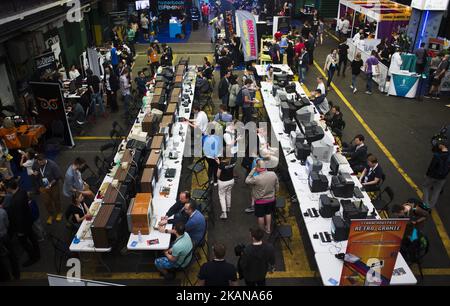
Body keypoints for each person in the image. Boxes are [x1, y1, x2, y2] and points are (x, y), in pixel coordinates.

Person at [5, 179, 40, 267]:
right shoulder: (22, 191)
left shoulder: (15, 201)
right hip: (28, 221)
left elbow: (18, 217)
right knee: (32, 238)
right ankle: (37, 252)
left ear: (9, 188)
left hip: (22, 226)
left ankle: (33, 257)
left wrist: (20, 232)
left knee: (24, 243)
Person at [245, 160, 279, 234]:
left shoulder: (257, 178)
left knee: (260, 216)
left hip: (260, 201)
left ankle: (261, 230)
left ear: (258, 168)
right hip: (271, 199)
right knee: (268, 213)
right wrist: (275, 193)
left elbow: (247, 180)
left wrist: (253, 170)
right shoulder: (273, 174)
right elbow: (277, 186)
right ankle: (268, 229)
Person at [32, 154, 63, 224]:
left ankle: (59, 212)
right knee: (46, 202)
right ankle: (51, 214)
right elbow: (34, 171)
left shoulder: (52, 165)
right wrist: (35, 174)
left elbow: (57, 177)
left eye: (42, 161)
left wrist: (50, 184)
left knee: (56, 199)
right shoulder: (36, 164)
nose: (40, 163)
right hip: (42, 187)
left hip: (53, 186)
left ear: (45, 159)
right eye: (39, 161)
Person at [423, 140, 449, 208]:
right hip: (442, 178)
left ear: (442, 145)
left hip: (432, 176)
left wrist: (427, 175)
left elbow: (431, 167)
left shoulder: (437, 155)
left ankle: (426, 205)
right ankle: (431, 206)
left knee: (425, 187)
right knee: (436, 191)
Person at [0, 198, 20, 280]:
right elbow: (7, 224)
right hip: (4, 235)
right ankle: (16, 274)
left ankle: (5, 277)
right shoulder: (2, 212)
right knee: (11, 255)